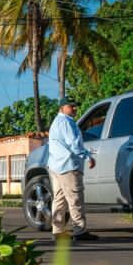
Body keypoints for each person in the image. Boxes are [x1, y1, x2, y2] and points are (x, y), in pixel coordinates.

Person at [47, 97, 99, 241]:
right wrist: (88, 157)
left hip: (56, 166)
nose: (75, 108)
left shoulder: (57, 122)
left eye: (75, 106)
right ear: (62, 107)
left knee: (59, 199)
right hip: (68, 166)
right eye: (71, 106)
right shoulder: (66, 122)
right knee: (75, 198)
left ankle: (57, 231)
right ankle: (79, 230)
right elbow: (74, 144)